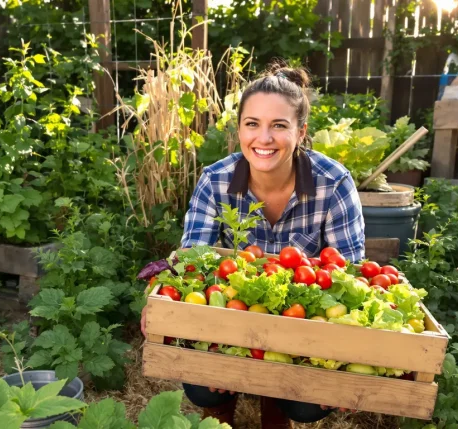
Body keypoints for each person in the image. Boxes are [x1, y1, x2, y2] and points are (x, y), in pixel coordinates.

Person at [141, 65, 365, 428]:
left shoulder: (333, 183)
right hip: (230, 319)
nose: (264, 138)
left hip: (303, 325)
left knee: (307, 406)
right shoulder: (216, 181)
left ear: (301, 132)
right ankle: (219, 415)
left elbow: (348, 277)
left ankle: (276, 410)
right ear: (239, 129)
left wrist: (329, 354)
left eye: (279, 125)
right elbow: (193, 262)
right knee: (203, 386)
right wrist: (166, 303)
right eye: (252, 124)